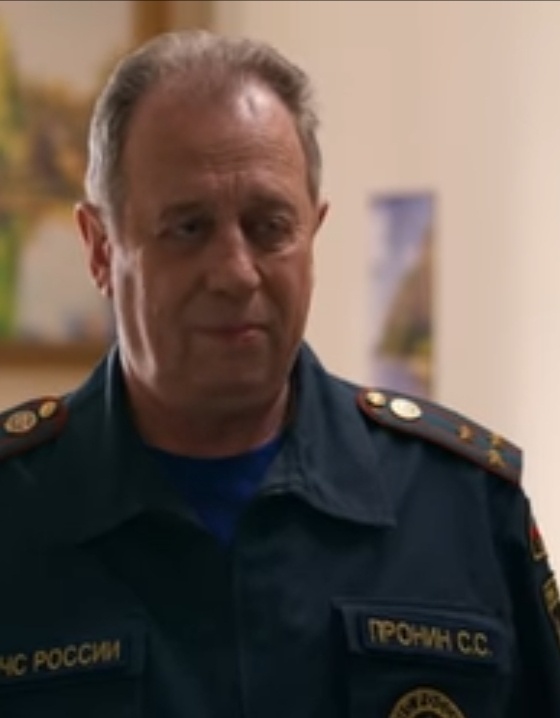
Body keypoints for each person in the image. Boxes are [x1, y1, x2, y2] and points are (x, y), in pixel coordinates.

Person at [0, 28, 558, 718]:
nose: (236, 273)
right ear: (99, 249)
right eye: (188, 228)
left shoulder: (464, 510)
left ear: (312, 233)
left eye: (269, 227)